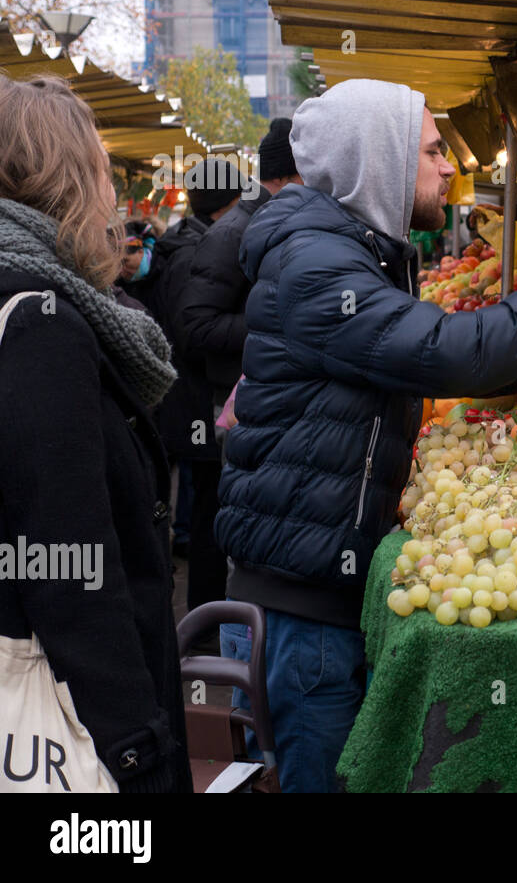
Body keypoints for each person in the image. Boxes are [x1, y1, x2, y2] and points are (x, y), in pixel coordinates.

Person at [214, 79, 517, 792]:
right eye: (431, 151)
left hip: (311, 590)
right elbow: (451, 351)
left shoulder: (350, 253)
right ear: (383, 161)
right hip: (301, 609)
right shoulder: (318, 265)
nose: (448, 165)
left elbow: (456, 369)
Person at [0, 74, 191, 792]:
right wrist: (137, 748)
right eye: (102, 168)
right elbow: (64, 560)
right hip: (70, 717)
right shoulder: (40, 324)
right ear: (67, 177)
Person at [142, 168, 243, 615]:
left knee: (207, 508)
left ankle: (205, 612)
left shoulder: (185, 243)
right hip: (194, 404)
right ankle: (205, 616)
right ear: (224, 205)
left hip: (189, 402)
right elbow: (192, 335)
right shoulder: (194, 253)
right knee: (208, 514)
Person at [179, 118, 303, 409]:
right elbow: (198, 324)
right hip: (240, 401)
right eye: (304, 175)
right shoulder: (231, 233)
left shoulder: (271, 222)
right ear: (283, 178)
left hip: (269, 391)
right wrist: (279, 321)